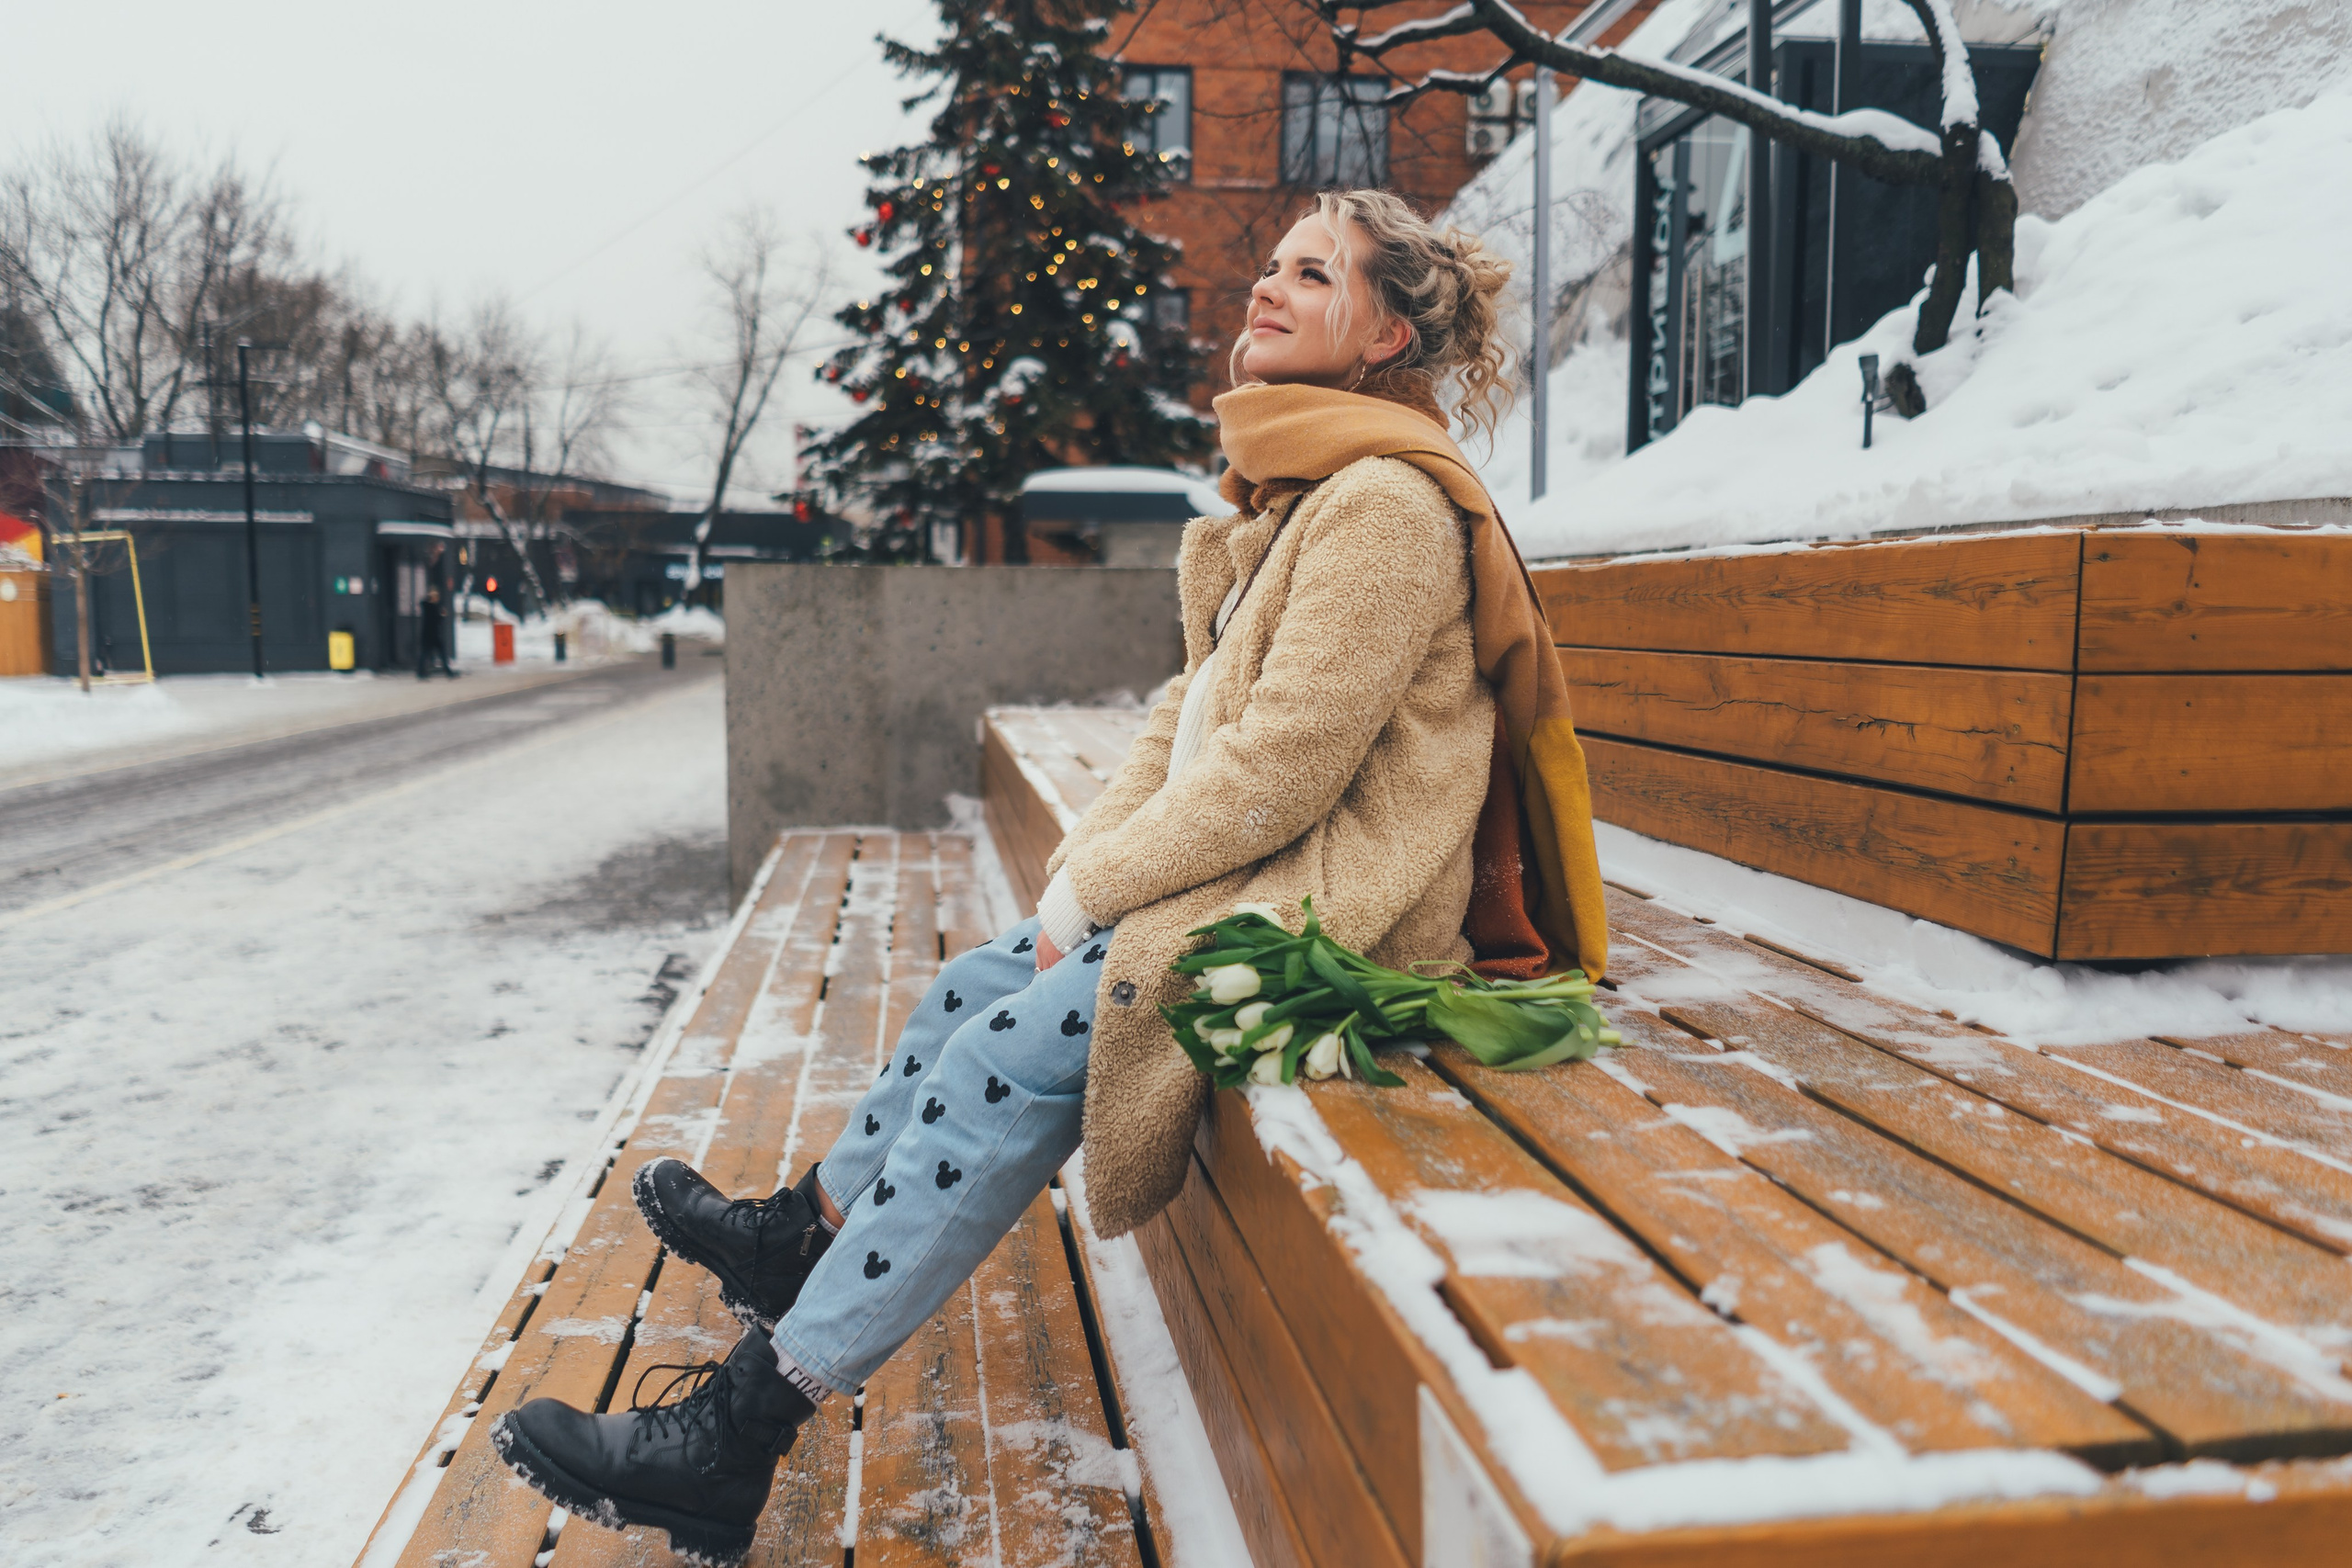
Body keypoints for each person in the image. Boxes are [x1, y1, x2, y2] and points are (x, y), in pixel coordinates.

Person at [489, 188, 1611, 1567]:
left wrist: (1098, 897)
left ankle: (737, 1434)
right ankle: (806, 1228)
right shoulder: (1298, 496)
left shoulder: (1383, 508)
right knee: (981, 980)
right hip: (1273, 866)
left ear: (1385, 335)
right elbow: (1185, 721)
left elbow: (1280, 770)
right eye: (1269, 262)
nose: (1265, 284)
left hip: (1339, 906)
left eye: (1310, 275)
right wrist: (1081, 880)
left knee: (1004, 1056)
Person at [415, 579, 456, 680]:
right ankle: (421, 672)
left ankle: (446, 671)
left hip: (432, 635)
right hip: (430, 635)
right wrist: (441, 615)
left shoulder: (430, 606)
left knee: (432, 653)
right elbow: (435, 620)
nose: (436, 598)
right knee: (427, 654)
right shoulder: (430, 607)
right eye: (435, 596)